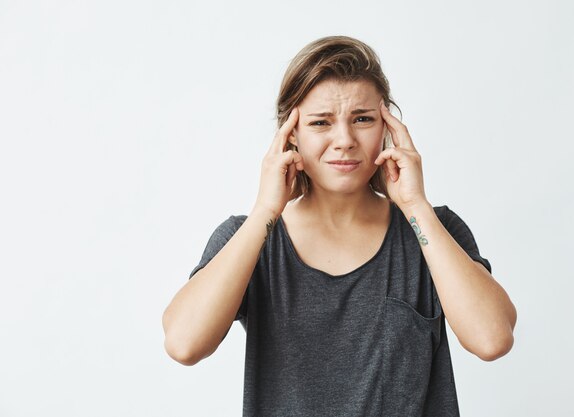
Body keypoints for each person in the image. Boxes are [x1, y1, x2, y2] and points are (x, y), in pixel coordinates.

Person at [162, 35, 517, 416]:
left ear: (387, 127)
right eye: (321, 122)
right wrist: (266, 209)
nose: (345, 140)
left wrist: (415, 205)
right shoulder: (247, 239)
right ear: (291, 134)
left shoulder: (433, 229)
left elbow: (492, 339)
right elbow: (184, 344)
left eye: (362, 119)